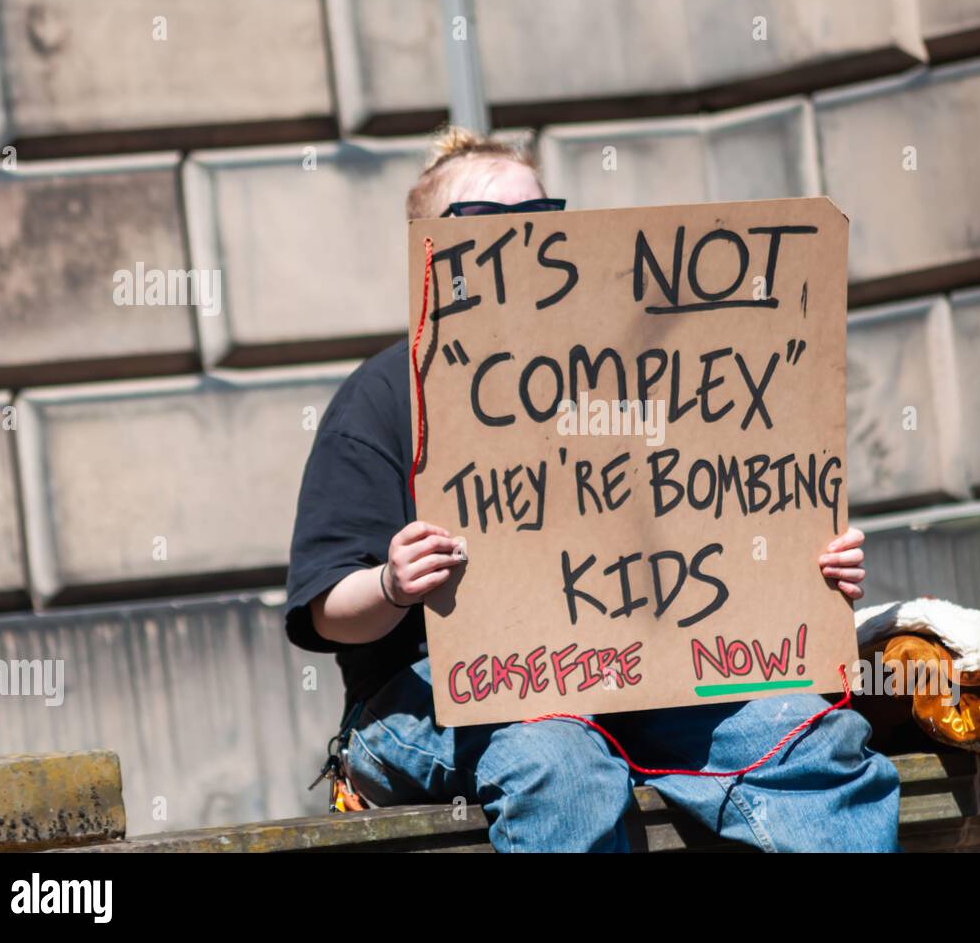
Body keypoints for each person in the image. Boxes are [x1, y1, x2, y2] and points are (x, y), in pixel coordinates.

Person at [285, 127, 901, 852]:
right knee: (560, 763)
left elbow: (707, 518)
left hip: (636, 675)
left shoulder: (623, 378)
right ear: (431, 249)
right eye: (492, 225)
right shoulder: (384, 397)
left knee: (809, 733)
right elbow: (327, 612)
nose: (526, 241)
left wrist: (803, 572)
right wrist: (392, 584)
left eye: (548, 219)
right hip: (437, 698)